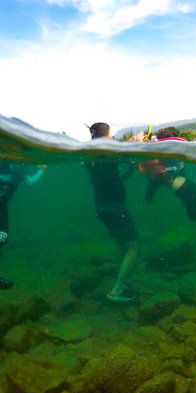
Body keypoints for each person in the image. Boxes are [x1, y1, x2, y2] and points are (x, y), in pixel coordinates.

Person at [85, 122, 139, 302]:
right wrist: (137, 142)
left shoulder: (89, 154)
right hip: (116, 208)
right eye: (110, 134)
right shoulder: (109, 150)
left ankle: (120, 276)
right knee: (133, 246)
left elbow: (114, 178)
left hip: (101, 208)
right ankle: (117, 289)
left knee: (120, 243)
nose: (112, 137)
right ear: (104, 136)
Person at [0, 162, 46, 289]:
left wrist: (41, 171)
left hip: (2, 206)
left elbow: (29, 183)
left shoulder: (21, 171)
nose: (23, 168)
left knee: (2, 238)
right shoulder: (4, 165)